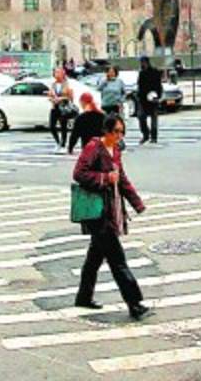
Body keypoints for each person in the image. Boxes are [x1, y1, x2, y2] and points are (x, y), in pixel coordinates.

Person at [72, 114, 151, 320]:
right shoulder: (93, 148)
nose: (119, 135)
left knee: (94, 258)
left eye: (122, 131)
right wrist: (104, 178)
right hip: (98, 212)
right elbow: (79, 174)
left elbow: (122, 178)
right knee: (118, 260)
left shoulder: (115, 150)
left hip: (110, 209)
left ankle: (83, 297)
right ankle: (134, 303)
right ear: (105, 131)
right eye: (116, 131)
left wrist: (137, 203)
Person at [134, 56, 162, 145]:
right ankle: (146, 134)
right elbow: (139, 86)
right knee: (141, 117)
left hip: (152, 97)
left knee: (154, 118)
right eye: (141, 63)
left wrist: (158, 96)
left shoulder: (155, 72)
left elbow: (159, 85)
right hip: (143, 99)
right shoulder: (141, 73)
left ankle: (154, 137)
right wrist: (138, 96)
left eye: (142, 62)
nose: (141, 64)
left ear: (146, 62)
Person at [47, 67, 75, 154]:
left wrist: (61, 98)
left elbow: (71, 97)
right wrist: (51, 99)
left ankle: (63, 145)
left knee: (63, 127)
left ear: (63, 74)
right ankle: (58, 142)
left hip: (64, 108)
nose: (57, 74)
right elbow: (50, 95)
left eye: (59, 72)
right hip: (54, 107)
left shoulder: (67, 84)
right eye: (55, 73)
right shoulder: (53, 84)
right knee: (52, 126)